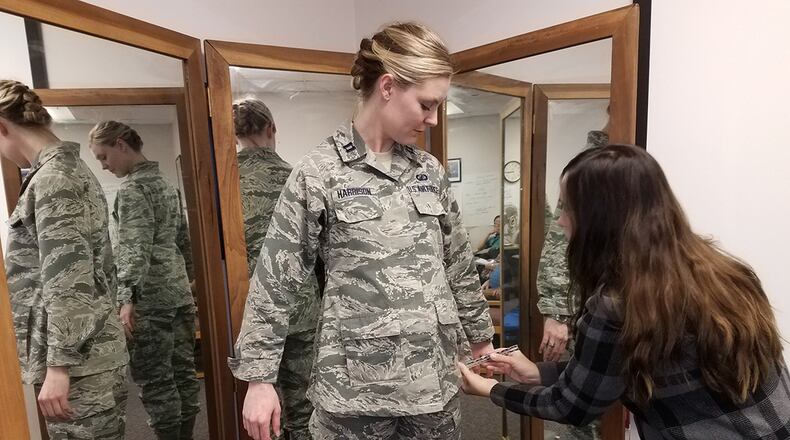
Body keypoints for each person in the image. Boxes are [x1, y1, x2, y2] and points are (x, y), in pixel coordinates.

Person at [229, 22, 494, 440]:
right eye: (426, 104)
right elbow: (276, 276)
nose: (434, 119)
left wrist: (480, 339)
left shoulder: (430, 172)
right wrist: (259, 379)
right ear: (387, 87)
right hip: (354, 391)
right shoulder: (319, 172)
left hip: (434, 385)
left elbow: (458, 264)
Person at [458, 144, 790, 439]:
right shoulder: (719, 268)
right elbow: (611, 372)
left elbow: (572, 407)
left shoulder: (617, 303)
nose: (560, 221)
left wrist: (493, 389)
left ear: (601, 217)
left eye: (568, 208)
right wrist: (538, 371)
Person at [0, 80, 129, 439]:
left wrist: (58, 366)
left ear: (2, 126)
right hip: (85, 358)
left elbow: (68, 278)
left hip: (80, 366)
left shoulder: (55, 178)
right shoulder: (63, 171)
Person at [89, 121, 200, 440]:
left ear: (121, 145)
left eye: (104, 156)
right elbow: (184, 240)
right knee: (183, 377)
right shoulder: (166, 185)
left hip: (148, 300)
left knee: (156, 381)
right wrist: (189, 282)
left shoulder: (133, 189)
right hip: (177, 293)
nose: (104, 165)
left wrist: (126, 300)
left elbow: (135, 249)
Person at [231, 98, 320, 440]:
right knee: (303, 404)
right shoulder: (297, 177)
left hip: (250, 309)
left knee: (257, 407)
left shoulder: (224, 184)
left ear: (236, 134)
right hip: (302, 308)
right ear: (271, 129)